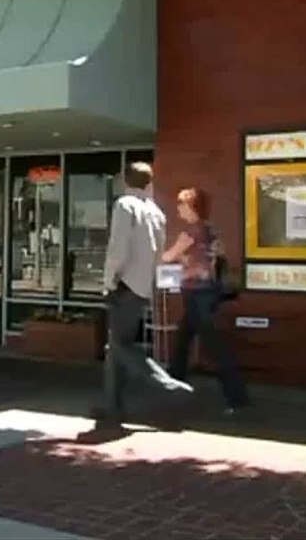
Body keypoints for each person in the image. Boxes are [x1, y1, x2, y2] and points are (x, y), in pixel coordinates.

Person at [92, 162, 193, 427]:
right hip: (143, 285)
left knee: (118, 345)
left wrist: (109, 281)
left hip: (124, 285)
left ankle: (167, 385)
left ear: (126, 181)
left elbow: (118, 248)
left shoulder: (125, 205)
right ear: (149, 182)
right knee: (116, 347)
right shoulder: (156, 212)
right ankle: (112, 408)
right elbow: (159, 254)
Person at [161, 187, 250, 415]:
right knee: (182, 343)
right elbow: (213, 257)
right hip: (205, 292)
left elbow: (167, 256)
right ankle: (173, 389)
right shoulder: (211, 230)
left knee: (215, 348)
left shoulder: (190, 232)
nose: (178, 208)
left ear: (191, 207)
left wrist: (177, 256)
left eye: (181, 204)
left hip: (197, 293)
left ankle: (237, 399)